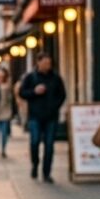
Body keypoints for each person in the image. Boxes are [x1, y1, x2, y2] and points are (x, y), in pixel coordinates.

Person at [20, 53, 67, 183]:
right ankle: (35, 164)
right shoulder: (30, 77)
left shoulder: (56, 78)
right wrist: (34, 92)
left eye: (49, 63)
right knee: (34, 142)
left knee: (49, 146)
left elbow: (62, 95)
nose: (48, 66)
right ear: (38, 62)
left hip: (51, 117)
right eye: (45, 63)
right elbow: (22, 93)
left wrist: (54, 106)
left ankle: (47, 173)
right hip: (35, 116)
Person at [0, 67, 14, 157]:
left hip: (5, 113)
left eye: (1, 76)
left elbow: (11, 99)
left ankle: (3, 150)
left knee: (4, 133)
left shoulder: (7, 86)